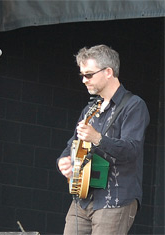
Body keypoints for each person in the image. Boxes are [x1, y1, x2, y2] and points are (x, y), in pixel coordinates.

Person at [57, 45, 150, 234]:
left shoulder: (134, 105)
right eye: (82, 75)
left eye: (89, 74)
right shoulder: (90, 109)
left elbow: (132, 149)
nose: (84, 80)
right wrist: (64, 160)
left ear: (108, 72)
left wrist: (97, 138)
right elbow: (73, 143)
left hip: (115, 198)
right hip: (83, 196)